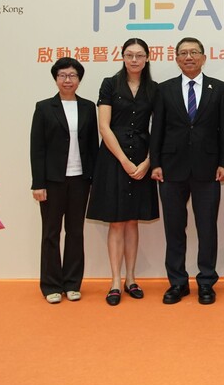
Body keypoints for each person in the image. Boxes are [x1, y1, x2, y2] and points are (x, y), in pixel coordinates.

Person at [150, 37, 224, 305]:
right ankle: (177, 282)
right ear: (176, 58)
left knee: (207, 228)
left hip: (208, 170)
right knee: (174, 228)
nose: (189, 57)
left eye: (194, 52)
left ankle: (206, 282)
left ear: (203, 57)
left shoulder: (219, 89)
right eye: (183, 53)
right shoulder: (164, 89)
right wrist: (156, 163)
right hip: (171, 170)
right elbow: (158, 129)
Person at [87, 38, 160, 306]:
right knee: (116, 221)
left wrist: (148, 161)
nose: (134, 60)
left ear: (147, 59)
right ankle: (115, 281)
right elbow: (104, 127)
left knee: (132, 220)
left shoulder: (154, 89)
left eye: (139, 55)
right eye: (129, 55)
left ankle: (131, 279)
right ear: (123, 57)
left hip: (142, 155)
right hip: (112, 157)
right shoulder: (110, 84)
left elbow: (160, 129)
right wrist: (124, 161)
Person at [30, 57, 98, 304]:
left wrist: (94, 178)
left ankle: (72, 283)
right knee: (50, 233)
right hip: (52, 181)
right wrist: (38, 184)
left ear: (79, 79)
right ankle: (50, 285)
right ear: (56, 79)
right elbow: (37, 148)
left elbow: (93, 146)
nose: (67, 80)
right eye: (63, 75)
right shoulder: (44, 107)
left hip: (80, 179)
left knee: (76, 232)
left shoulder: (89, 107)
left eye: (72, 75)